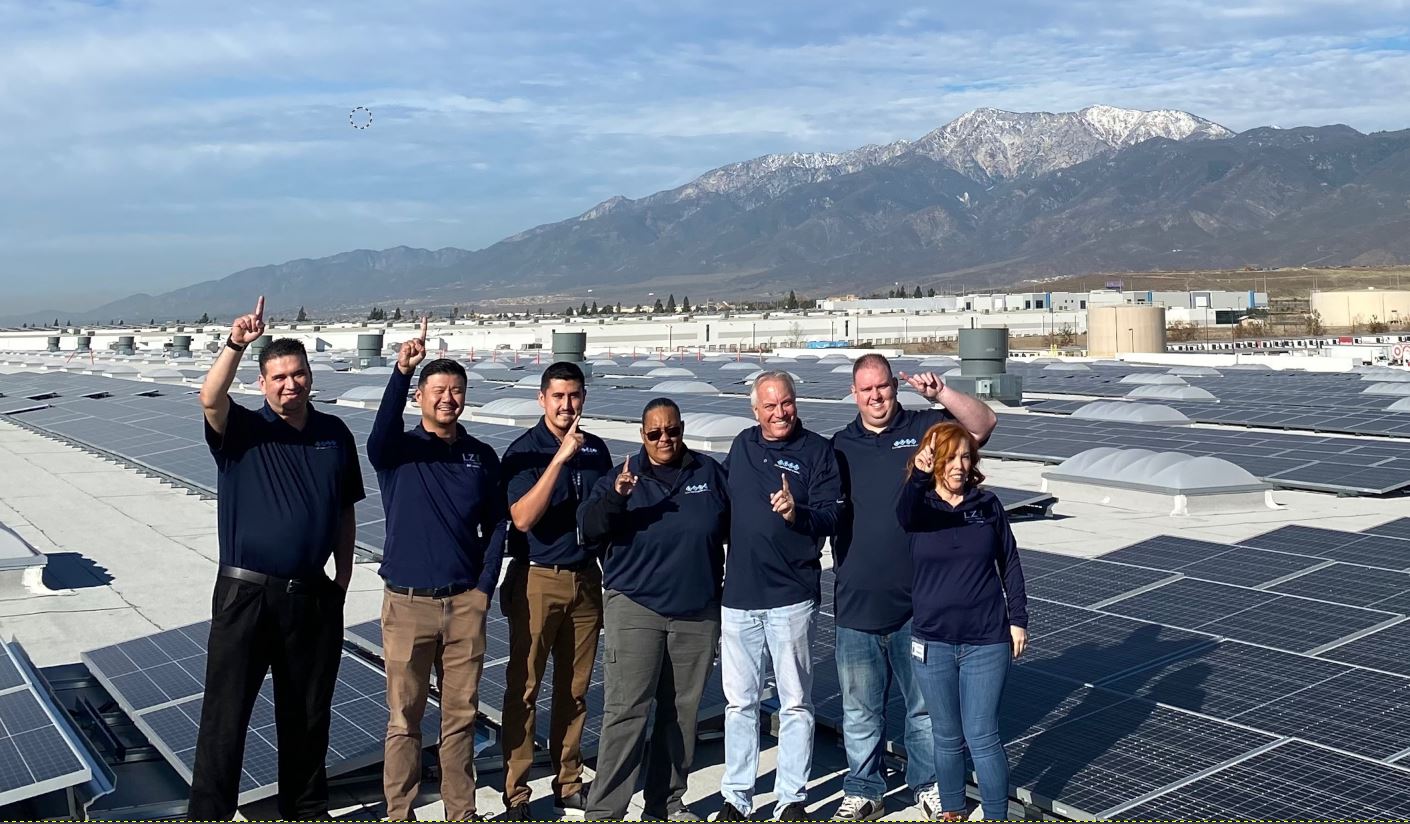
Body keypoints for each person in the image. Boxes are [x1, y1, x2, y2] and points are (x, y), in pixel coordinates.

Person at [189, 296, 364, 820]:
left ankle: (306, 810)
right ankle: (209, 815)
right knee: (226, 717)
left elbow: (345, 511)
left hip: (311, 597)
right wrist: (235, 344)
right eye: (279, 376)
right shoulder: (243, 430)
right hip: (247, 595)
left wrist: (344, 576)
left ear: (311, 376)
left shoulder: (335, 435)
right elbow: (209, 397)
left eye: (298, 373)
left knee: (307, 714)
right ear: (262, 384)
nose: (290, 384)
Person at [828, 355, 997, 820]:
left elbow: (984, 424)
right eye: (866, 390)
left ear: (893, 387)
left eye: (882, 386)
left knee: (924, 710)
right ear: (854, 393)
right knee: (860, 711)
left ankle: (927, 784)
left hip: (919, 604)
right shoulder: (839, 446)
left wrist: (941, 393)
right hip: (857, 601)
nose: (876, 396)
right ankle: (865, 788)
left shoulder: (927, 429)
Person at [367, 317, 507, 822]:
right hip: (406, 604)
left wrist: (484, 589)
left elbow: (497, 526)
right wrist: (400, 371)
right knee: (404, 720)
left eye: (456, 390)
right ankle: (400, 812)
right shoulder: (399, 451)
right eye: (438, 389)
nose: (448, 398)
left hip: (463, 604)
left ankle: (460, 811)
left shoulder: (480, 456)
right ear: (421, 396)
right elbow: (377, 439)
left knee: (460, 718)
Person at [578, 398, 729, 822]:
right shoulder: (621, 477)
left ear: (682, 429)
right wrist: (616, 497)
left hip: (696, 612)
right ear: (641, 435)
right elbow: (589, 528)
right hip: (636, 608)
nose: (665, 439)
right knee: (626, 712)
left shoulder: (709, 474)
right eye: (654, 433)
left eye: (672, 431)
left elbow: (740, 528)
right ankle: (605, 811)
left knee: (681, 715)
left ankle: (666, 805)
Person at [716, 371, 843, 822]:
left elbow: (832, 516)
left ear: (796, 401)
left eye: (785, 403)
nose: (779, 413)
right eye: (769, 406)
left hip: (792, 597)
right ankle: (736, 796)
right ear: (755, 411)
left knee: (794, 703)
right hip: (740, 599)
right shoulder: (743, 446)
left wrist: (798, 512)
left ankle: (792, 797)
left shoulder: (817, 451)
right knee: (740, 704)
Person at [499, 361, 613, 820]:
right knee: (524, 687)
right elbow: (523, 518)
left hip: (586, 579)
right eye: (559, 397)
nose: (568, 405)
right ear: (542, 399)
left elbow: (604, 515)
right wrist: (559, 459)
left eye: (575, 396)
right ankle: (517, 793)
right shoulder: (524, 452)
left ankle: (568, 780)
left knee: (575, 687)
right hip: (537, 579)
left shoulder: (597, 450)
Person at [897, 422, 1027, 823]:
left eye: (965, 457)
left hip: (985, 640)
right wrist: (918, 474)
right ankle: (952, 810)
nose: (958, 465)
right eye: (950, 457)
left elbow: (1010, 562)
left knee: (982, 735)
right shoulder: (921, 508)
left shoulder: (987, 506)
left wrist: (1017, 620)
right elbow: (903, 512)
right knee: (946, 735)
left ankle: (994, 815)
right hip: (932, 642)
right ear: (935, 460)